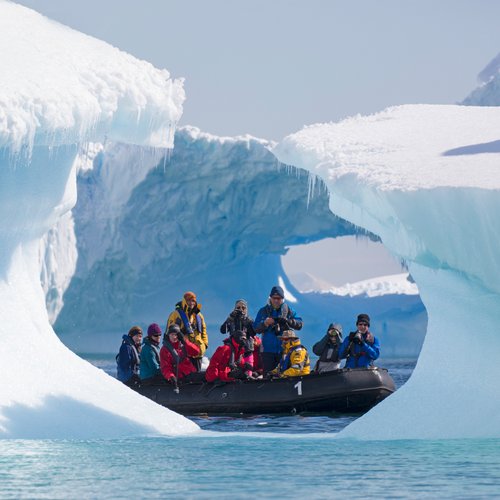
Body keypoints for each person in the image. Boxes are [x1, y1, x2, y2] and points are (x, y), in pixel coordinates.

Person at [254, 285, 303, 374]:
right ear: (270, 298)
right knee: (268, 376)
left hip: (285, 350)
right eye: (274, 298)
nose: (276, 300)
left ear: (282, 299)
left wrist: (288, 321)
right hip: (268, 351)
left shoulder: (288, 311)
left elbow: (300, 324)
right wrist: (265, 323)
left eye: (279, 298)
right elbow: (256, 328)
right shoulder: (263, 311)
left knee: (284, 375)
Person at [167, 291, 208, 372]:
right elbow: (170, 331)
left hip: (198, 352)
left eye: (193, 301)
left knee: (197, 378)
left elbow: (204, 331)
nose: (191, 303)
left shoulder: (199, 315)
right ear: (184, 301)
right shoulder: (175, 315)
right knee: (186, 377)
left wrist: (205, 344)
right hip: (184, 352)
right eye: (189, 300)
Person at [220, 299, 258, 377]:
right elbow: (223, 330)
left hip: (247, 350)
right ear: (234, 309)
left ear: (246, 309)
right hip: (234, 351)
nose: (241, 310)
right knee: (234, 374)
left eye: (243, 308)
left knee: (248, 374)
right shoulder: (231, 319)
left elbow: (253, 333)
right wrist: (229, 318)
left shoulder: (249, 319)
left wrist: (245, 320)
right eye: (238, 307)